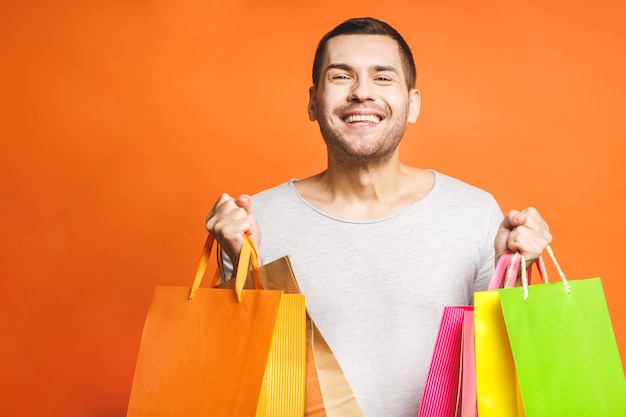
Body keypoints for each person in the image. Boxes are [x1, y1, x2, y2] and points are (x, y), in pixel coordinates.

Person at [206, 17, 551, 417]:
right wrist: (236, 259)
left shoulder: (474, 211)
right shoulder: (259, 218)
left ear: (413, 103)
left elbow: (498, 375)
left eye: (382, 77)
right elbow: (239, 374)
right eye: (341, 76)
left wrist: (515, 272)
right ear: (313, 102)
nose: (362, 93)